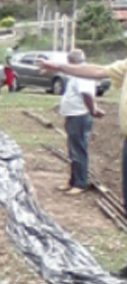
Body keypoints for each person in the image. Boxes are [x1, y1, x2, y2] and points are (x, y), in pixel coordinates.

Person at [55, 49, 105, 196]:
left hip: (79, 116)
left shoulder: (82, 75)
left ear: (71, 62)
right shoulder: (77, 74)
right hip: (73, 115)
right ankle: (73, 180)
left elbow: (87, 95)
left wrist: (93, 110)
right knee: (73, 149)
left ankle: (80, 183)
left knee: (78, 150)